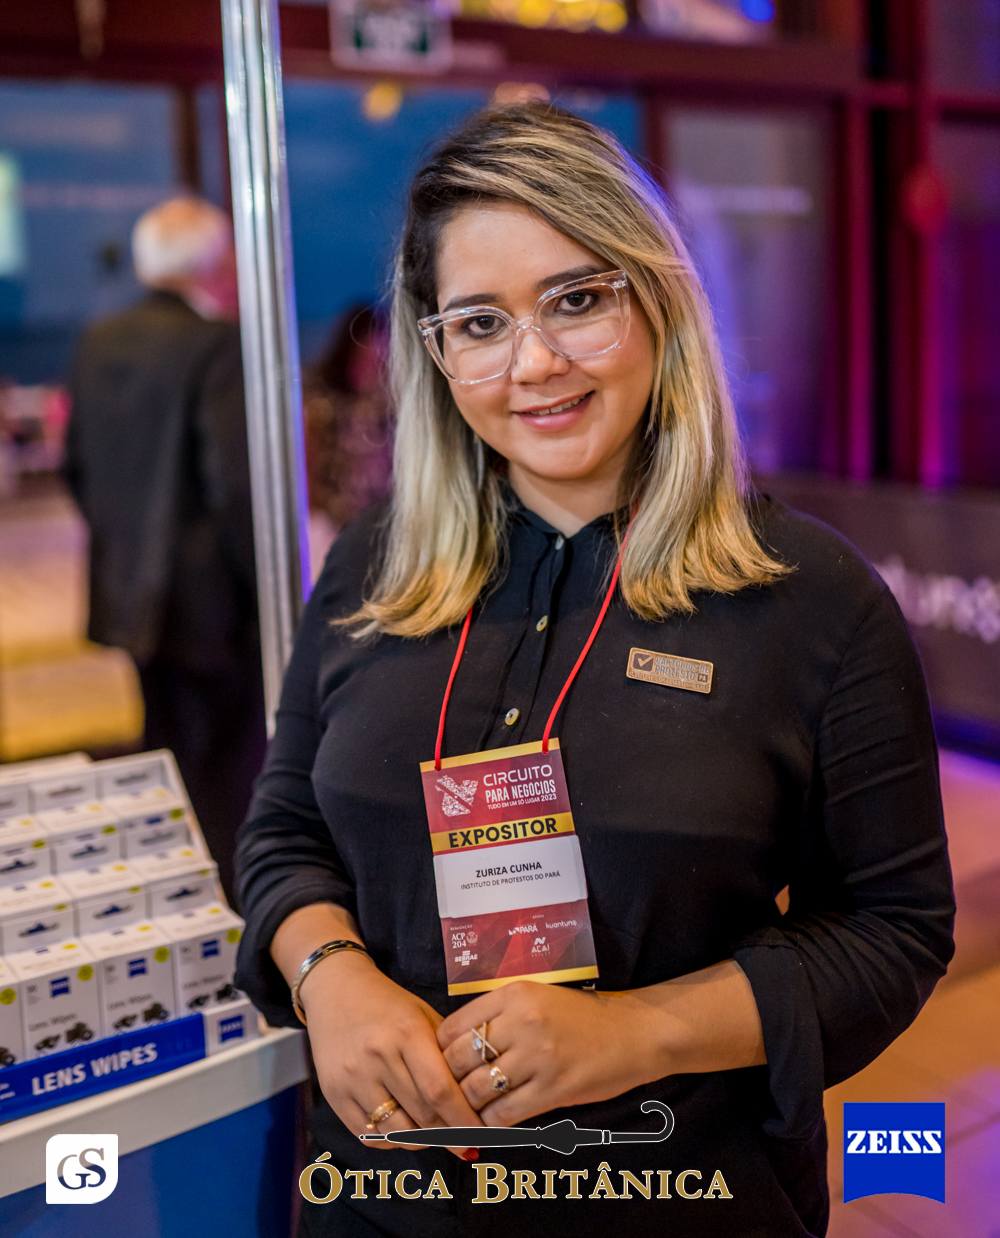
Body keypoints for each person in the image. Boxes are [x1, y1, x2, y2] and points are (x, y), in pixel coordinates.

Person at [234, 105, 954, 1236]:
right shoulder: (377, 564)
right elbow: (281, 827)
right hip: (377, 1200)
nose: (534, 364)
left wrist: (639, 1031)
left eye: (576, 300)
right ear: (434, 352)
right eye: (479, 323)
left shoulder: (811, 599)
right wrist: (333, 977)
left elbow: (891, 932)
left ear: (655, 300)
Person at [65, 196, 264, 901]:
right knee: (234, 780)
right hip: (215, 606)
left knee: (166, 758)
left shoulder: (98, 342)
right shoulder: (219, 345)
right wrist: (275, 590)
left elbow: (78, 468)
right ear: (212, 263)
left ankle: (175, 908)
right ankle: (237, 918)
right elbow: (239, 487)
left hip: (131, 598)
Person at [302, 304, 392, 566]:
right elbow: (306, 470)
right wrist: (318, 526)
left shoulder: (395, 413)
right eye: (366, 361)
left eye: (382, 362)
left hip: (385, 529)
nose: (373, 372)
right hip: (333, 532)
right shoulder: (321, 407)